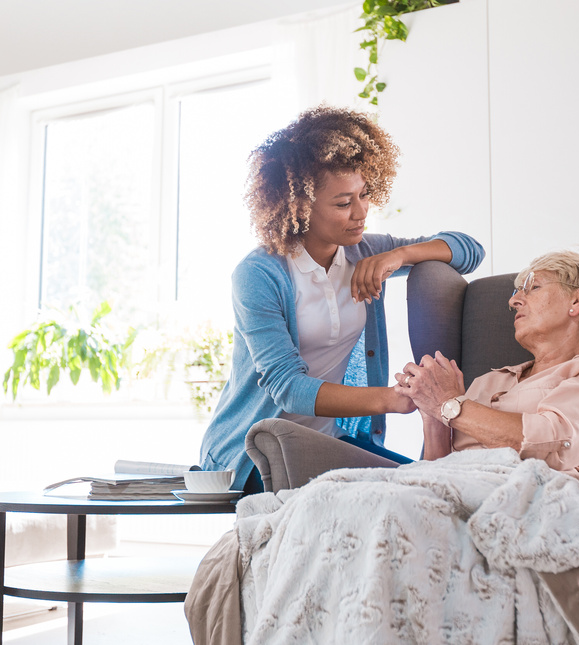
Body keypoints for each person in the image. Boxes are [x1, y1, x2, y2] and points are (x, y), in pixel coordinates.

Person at [198, 105, 485, 492]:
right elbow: (288, 387)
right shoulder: (259, 275)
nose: (361, 212)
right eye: (343, 203)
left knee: (423, 486)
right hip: (255, 454)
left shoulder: (364, 251)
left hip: (327, 445)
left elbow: (469, 250)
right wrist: (391, 398)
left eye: (365, 195)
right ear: (298, 206)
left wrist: (398, 256)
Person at [394, 249, 579, 483]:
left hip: (541, 498)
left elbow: (551, 443)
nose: (514, 300)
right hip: (455, 495)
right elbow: (433, 476)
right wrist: (433, 415)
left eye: (533, 287)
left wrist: (448, 404)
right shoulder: (487, 382)